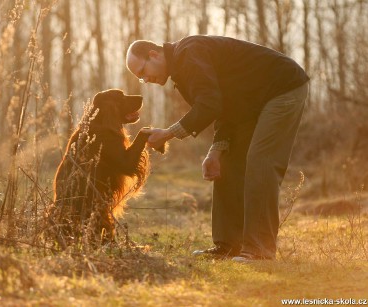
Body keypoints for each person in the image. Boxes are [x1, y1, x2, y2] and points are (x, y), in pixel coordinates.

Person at [126, 35, 309, 262]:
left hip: (282, 88)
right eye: (140, 78)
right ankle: (228, 246)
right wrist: (215, 151)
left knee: (260, 161)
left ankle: (260, 249)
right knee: (226, 162)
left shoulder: (189, 54)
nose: (146, 79)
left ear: (153, 54)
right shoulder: (181, 70)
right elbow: (223, 109)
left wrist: (169, 133)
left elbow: (210, 104)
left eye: (142, 72)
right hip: (251, 103)